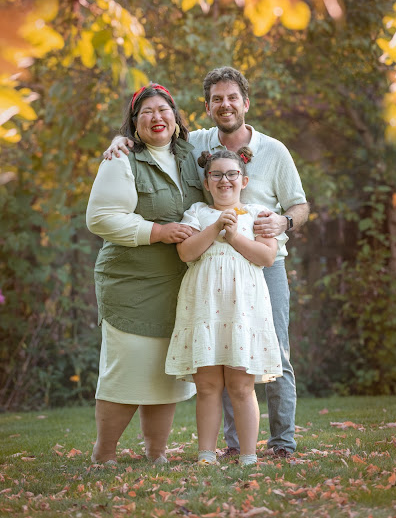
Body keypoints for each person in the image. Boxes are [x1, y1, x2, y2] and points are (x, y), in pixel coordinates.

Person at [104, 67, 309, 460]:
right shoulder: (195, 142)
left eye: (232, 97)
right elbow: (154, 132)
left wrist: (284, 222)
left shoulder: (274, 150)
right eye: (217, 99)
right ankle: (232, 445)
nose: (225, 105)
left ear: (245, 103)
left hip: (264, 264)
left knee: (274, 355)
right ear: (208, 106)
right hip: (213, 269)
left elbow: (300, 205)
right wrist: (121, 139)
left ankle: (282, 443)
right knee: (225, 351)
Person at [86, 83, 204, 465]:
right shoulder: (121, 160)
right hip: (131, 285)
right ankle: (104, 454)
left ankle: (157, 453)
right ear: (134, 123)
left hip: (178, 286)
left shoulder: (193, 154)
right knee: (126, 374)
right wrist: (157, 231)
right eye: (147, 112)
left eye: (163, 110)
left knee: (164, 375)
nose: (157, 117)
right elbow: (100, 218)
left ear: (176, 117)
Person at [165, 148, 284, 466]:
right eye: (216, 174)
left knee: (241, 384)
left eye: (231, 174)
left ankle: (248, 455)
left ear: (243, 180)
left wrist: (232, 237)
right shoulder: (197, 213)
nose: (224, 180)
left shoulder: (258, 213)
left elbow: (266, 257)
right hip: (206, 305)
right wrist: (216, 226)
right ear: (206, 182)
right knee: (207, 384)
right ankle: (206, 454)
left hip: (242, 308)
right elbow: (186, 253)